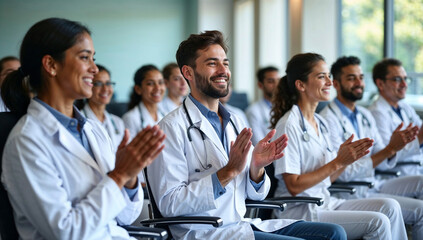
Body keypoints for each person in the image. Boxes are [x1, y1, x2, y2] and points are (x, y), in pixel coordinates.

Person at [148, 31, 347, 240]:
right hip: (205, 233)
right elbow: (169, 203)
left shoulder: (236, 121)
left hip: (241, 224)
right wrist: (227, 173)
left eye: (225, 63)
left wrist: (257, 169)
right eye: (212, 64)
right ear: (188, 72)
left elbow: (255, 195)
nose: (223, 70)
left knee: (334, 233)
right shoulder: (170, 128)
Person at [1, 18, 165, 240]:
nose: (94, 69)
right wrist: (118, 175)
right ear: (51, 65)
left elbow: (125, 216)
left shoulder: (93, 129)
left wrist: (130, 178)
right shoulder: (26, 141)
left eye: (93, 59)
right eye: (85, 57)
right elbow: (66, 232)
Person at [270, 53, 407, 240]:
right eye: (321, 77)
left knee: (390, 207)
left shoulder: (320, 122)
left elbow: (330, 178)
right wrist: (338, 162)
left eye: (328, 76)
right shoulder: (289, 125)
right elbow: (294, 186)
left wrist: (345, 160)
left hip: (325, 201)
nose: (329, 82)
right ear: (301, 85)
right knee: (378, 222)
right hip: (300, 210)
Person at [320, 56, 423, 238]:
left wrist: (391, 149)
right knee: (401, 209)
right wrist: (390, 149)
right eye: (351, 78)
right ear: (335, 84)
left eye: (361, 77)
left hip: (372, 184)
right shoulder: (328, 119)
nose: (359, 83)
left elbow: (382, 161)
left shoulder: (365, 115)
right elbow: (343, 172)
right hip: (350, 192)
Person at [369, 58, 423, 176]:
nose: (404, 84)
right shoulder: (376, 113)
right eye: (397, 79)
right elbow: (386, 155)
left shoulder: (405, 107)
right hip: (397, 175)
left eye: (405, 79)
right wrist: (419, 139)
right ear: (380, 84)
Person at [80, 64, 125, 150]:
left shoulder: (118, 122)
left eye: (108, 83)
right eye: (98, 84)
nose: (105, 89)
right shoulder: (79, 121)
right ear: (87, 86)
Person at [122, 64, 166, 141]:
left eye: (160, 82)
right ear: (138, 89)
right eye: (150, 83)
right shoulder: (130, 118)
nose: (157, 88)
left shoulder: (166, 113)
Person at [246, 66, 280, 145]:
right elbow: (258, 143)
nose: (277, 85)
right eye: (271, 81)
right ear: (260, 85)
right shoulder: (253, 111)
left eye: (278, 80)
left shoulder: (287, 107)